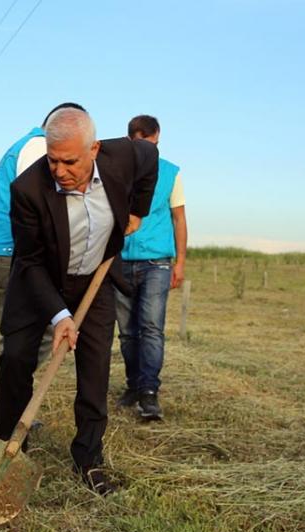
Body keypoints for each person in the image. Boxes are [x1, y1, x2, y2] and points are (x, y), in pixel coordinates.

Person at [0, 107, 158, 495]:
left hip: (93, 280)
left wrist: (138, 209)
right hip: (38, 282)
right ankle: (8, 448)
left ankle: (88, 458)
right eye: (53, 160)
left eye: (69, 161)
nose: (60, 170)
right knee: (16, 359)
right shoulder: (28, 191)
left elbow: (150, 158)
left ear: (95, 149)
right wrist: (59, 316)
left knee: (95, 369)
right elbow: (31, 263)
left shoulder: (125, 157)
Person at [0, 102, 85, 433]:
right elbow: (40, 205)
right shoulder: (38, 147)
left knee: (19, 337)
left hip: (6, 250)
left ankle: (2, 406)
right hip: (13, 251)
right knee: (31, 337)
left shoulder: (26, 145)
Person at [114, 115, 187, 420]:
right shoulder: (116, 170)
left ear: (156, 138)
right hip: (119, 260)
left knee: (151, 328)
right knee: (127, 334)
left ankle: (149, 393)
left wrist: (180, 262)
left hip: (157, 262)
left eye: (148, 141)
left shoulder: (170, 173)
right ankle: (133, 385)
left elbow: (179, 219)